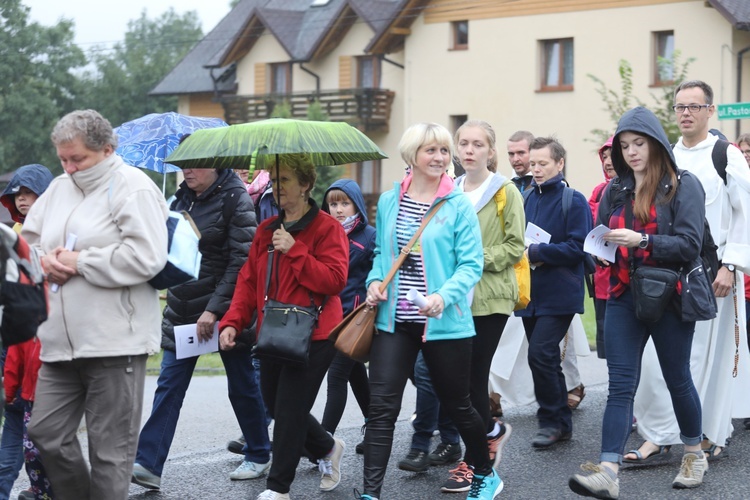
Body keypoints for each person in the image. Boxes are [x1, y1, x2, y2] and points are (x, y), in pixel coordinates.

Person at [22, 109, 169, 500]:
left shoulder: (133, 186)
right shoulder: (56, 188)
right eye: (63, 159)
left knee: (110, 454)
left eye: (78, 159)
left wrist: (81, 262)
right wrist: (43, 260)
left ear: (106, 149)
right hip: (57, 341)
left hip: (114, 341)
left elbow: (147, 256)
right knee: (45, 433)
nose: (69, 168)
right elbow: (29, 245)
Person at [569, 106, 712, 498]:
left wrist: (644, 241)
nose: (631, 152)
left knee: (677, 378)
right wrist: (600, 251)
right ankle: (608, 471)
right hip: (622, 296)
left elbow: (689, 245)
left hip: (670, 298)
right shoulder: (616, 189)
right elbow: (601, 237)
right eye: (625, 146)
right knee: (620, 386)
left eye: (639, 143)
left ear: (655, 144)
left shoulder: (684, 185)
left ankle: (693, 453)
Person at [359, 122, 502, 500]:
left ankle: (485, 473)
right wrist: (375, 282)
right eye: (431, 151)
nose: (440, 157)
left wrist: (443, 296)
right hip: (395, 321)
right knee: (381, 410)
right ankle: (370, 493)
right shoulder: (390, 201)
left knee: (459, 406)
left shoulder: (457, 204)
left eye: (443, 150)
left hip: (444, 322)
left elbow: (470, 265)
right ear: (412, 157)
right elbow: (381, 256)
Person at [627, 81, 750, 465]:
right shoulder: (667, 157)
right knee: (655, 360)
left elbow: (745, 213)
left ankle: (711, 432)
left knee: (708, 358)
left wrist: (731, 265)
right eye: (680, 106)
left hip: (713, 274)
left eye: (694, 107)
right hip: (665, 271)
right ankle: (657, 435)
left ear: (710, 111)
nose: (685, 113)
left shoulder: (725, 155)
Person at [219, 153, 349, 500]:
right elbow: (248, 281)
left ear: (306, 185)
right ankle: (326, 446)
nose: (278, 188)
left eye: (285, 181)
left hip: (316, 332)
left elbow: (334, 281)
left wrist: (295, 250)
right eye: (274, 181)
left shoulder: (327, 228)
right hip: (273, 331)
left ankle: (278, 488)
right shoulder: (266, 230)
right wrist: (232, 321)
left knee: (289, 411)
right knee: (276, 406)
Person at [131, 167, 271, 490]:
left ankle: (260, 452)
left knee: (242, 385)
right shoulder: (179, 198)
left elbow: (243, 262)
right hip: (182, 312)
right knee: (169, 387)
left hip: (224, 314)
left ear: (215, 165)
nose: (188, 171)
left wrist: (214, 310)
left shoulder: (235, 198)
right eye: (183, 165)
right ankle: (149, 464)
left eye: (196, 164)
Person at [434, 119, 524, 493]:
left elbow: (515, 246)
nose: (469, 150)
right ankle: (489, 433)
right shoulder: (450, 190)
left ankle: (477, 464)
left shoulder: (504, 192)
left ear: (491, 151)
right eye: (464, 144)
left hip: (490, 298)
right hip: (456, 298)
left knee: (471, 380)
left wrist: (471, 257)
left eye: (478, 144)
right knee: (454, 381)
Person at [516, 137, 592, 449]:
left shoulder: (573, 200)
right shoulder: (525, 197)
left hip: (560, 293)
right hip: (529, 294)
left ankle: (550, 421)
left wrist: (536, 251)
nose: (535, 169)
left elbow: (579, 247)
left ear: (559, 164)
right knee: (544, 358)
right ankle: (561, 423)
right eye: (532, 163)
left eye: (542, 163)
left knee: (540, 354)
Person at [0, 163, 53, 500]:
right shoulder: (12, 234)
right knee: (15, 419)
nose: (22, 198)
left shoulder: (57, 236)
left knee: (46, 435)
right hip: (14, 342)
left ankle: (49, 489)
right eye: (17, 193)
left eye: (30, 191)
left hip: (45, 347)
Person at [320, 179, 375, 453]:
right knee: (355, 375)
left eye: (344, 203)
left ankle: (323, 440)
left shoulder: (369, 236)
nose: (339, 209)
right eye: (333, 204)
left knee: (337, 375)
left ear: (356, 204)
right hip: (330, 319)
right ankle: (374, 426)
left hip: (356, 321)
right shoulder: (324, 234)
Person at [589, 137, 616, 358]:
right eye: (604, 157)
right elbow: (588, 229)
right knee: (609, 344)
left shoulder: (641, 189)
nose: (607, 162)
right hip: (602, 279)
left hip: (631, 279)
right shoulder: (598, 191)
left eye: (612, 155)